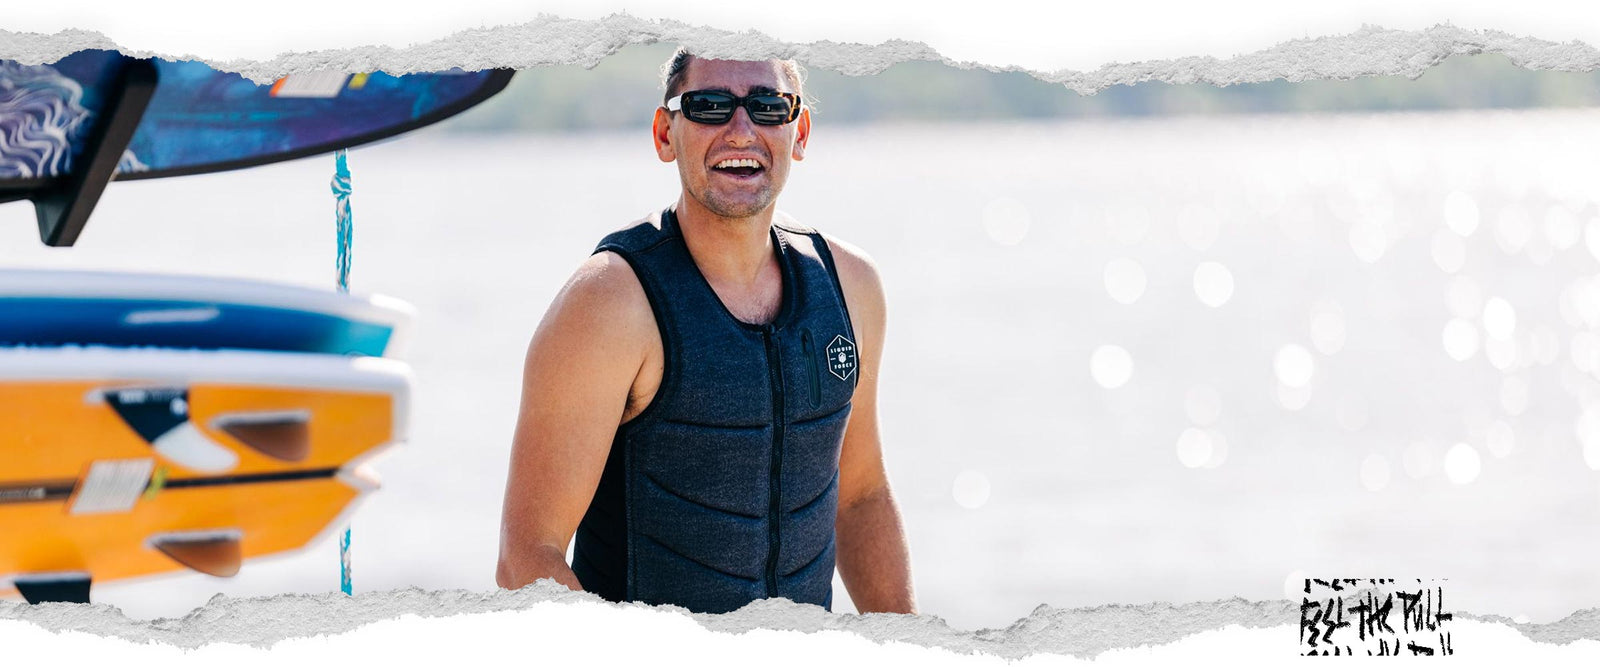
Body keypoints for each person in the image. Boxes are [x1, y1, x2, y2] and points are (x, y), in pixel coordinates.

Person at [496, 48, 915, 615]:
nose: (741, 130)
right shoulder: (609, 303)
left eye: (768, 106)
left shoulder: (850, 286)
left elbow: (861, 498)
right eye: (710, 106)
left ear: (800, 132)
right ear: (666, 134)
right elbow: (527, 561)